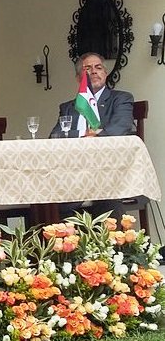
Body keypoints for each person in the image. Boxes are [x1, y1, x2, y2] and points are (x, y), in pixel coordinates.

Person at [50, 52, 135, 220]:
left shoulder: (120, 99)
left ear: (105, 73)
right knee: (44, 200)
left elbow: (120, 128)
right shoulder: (68, 107)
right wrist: (84, 134)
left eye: (98, 67)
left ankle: (110, 237)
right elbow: (55, 136)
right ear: (78, 78)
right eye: (87, 68)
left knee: (108, 199)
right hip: (72, 172)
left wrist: (95, 137)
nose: (94, 71)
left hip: (107, 169)